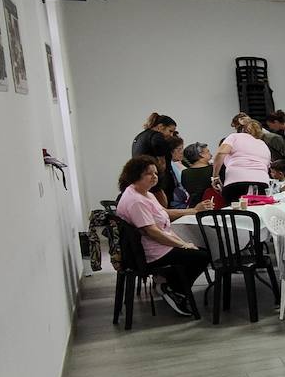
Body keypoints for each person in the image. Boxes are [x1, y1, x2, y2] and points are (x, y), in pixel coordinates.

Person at [115, 155, 210, 317]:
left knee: (196, 250)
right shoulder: (136, 201)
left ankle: (170, 284)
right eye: (149, 174)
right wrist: (181, 245)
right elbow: (153, 232)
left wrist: (194, 210)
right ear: (135, 175)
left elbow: (164, 214)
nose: (154, 177)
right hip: (151, 252)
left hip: (155, 246)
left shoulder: (144, 193)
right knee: (202, 256)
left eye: (155, 173)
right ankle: (173, 288)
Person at [214, 114, 272, 202]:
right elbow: (267, 166)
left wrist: (215, 176)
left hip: (236, 182)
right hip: (262, 183)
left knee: (236, 212)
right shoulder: (263, 144)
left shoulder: (234, 137)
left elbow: (221, 153)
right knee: (256, 211)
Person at [131, 113, 178, 206]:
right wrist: (158, 183)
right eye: (170, 131)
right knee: (162, 211)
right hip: (155, 183)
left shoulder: (140, 136)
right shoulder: (157, 136)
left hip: (141, 180)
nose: (172, 135)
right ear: (160, 127)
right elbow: (162, 163)